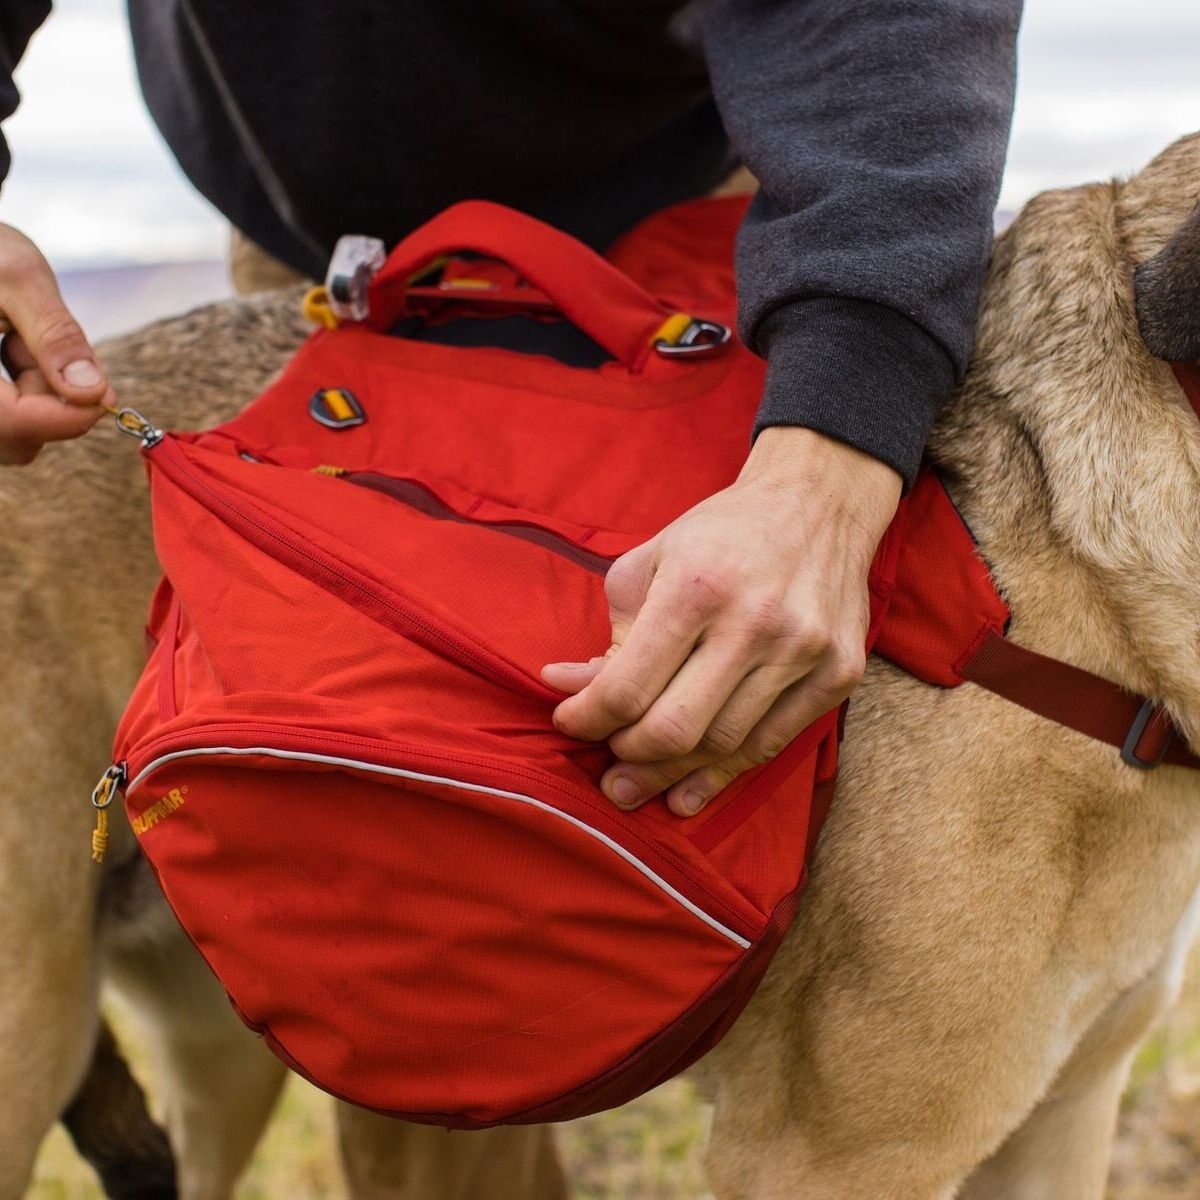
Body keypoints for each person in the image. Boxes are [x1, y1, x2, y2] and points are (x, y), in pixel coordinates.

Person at [0, 2, 1021, 819]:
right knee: (344, 747)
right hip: (316, 235)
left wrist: (830, 456)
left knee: (715, 695)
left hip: (701, 226)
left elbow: (896, 28)